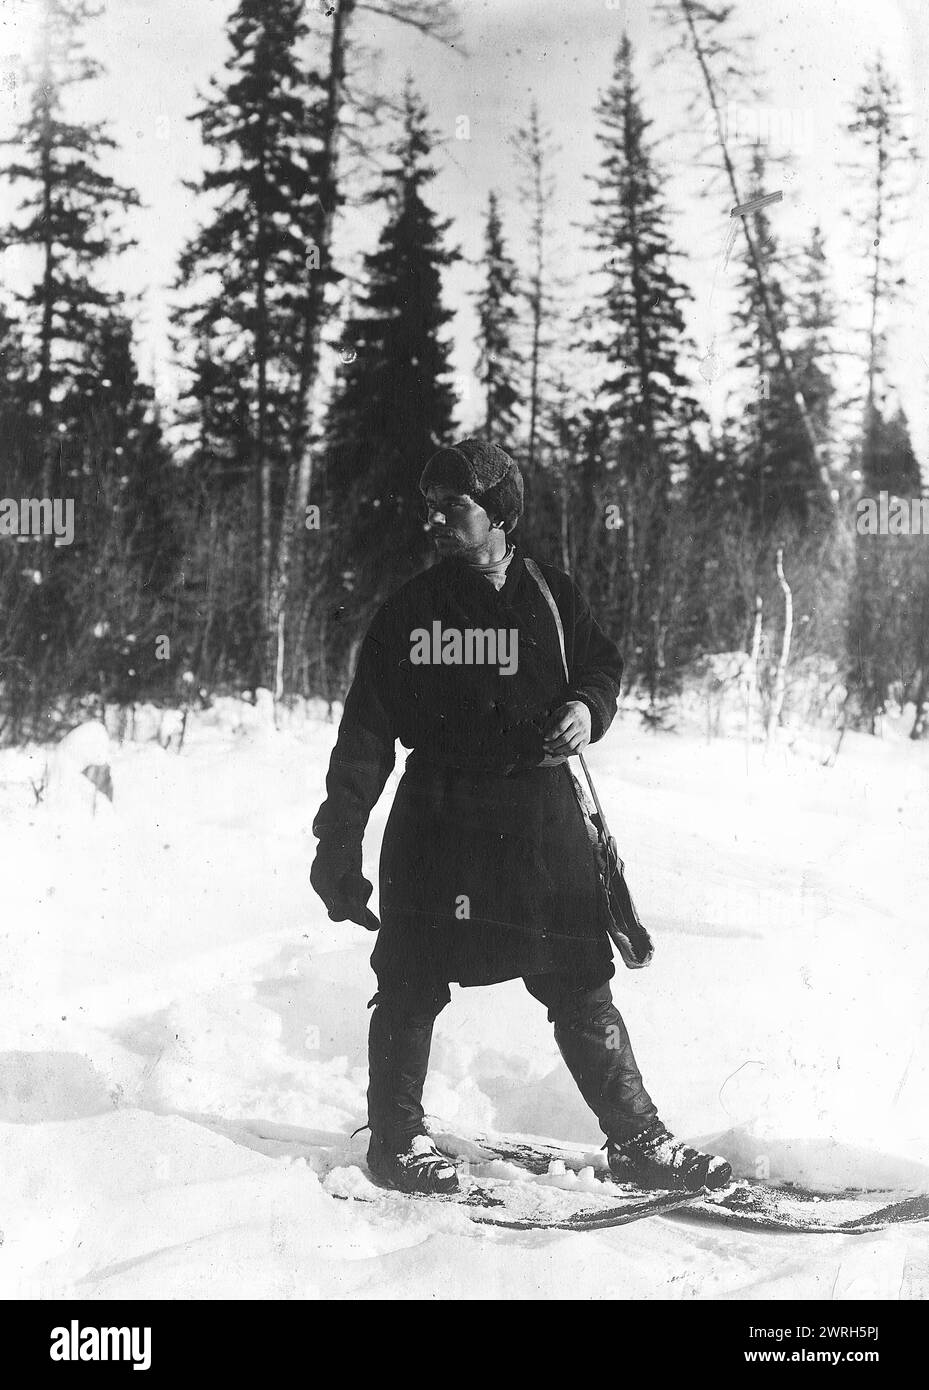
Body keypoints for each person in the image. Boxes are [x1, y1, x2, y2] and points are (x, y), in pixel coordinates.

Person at [311, 437, 731, 1196]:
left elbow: (600, 664)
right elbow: (365, 737)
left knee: (577, 977)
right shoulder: (411, 611)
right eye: (429, 507)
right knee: (410, 978)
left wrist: (584, 705)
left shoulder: (551, 592)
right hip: (442, 819)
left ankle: (638, 1140)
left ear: (500, 511)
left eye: (455, 506)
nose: (436, 519)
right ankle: (396, 1142)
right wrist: (338, 844)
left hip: (540, 820)